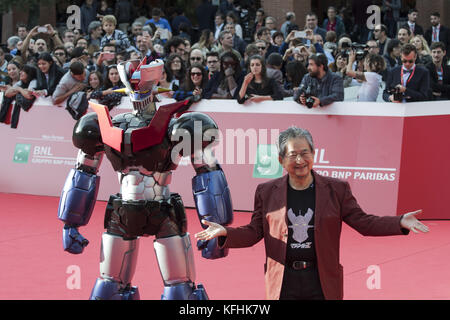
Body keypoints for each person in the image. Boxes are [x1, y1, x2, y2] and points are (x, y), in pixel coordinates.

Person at [195, 126, 428, 300]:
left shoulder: (336, 189)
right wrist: (226, 233)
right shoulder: (266, 191)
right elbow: (255, 231)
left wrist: (400, 222)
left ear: (314, 155)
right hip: (283, 280)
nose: (300, 160)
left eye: (305, 153)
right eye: (292, 155)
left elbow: (364, 222)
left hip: (321, 280)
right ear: (280, 160)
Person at [0, 63, 37, 128]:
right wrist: (20, 90)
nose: (20, 72)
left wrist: (18, 89)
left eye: (23, 71)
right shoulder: (20, 82)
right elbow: (7, 94)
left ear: (29, 73)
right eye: (9, 70)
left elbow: (29, 95)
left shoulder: (34, 81)